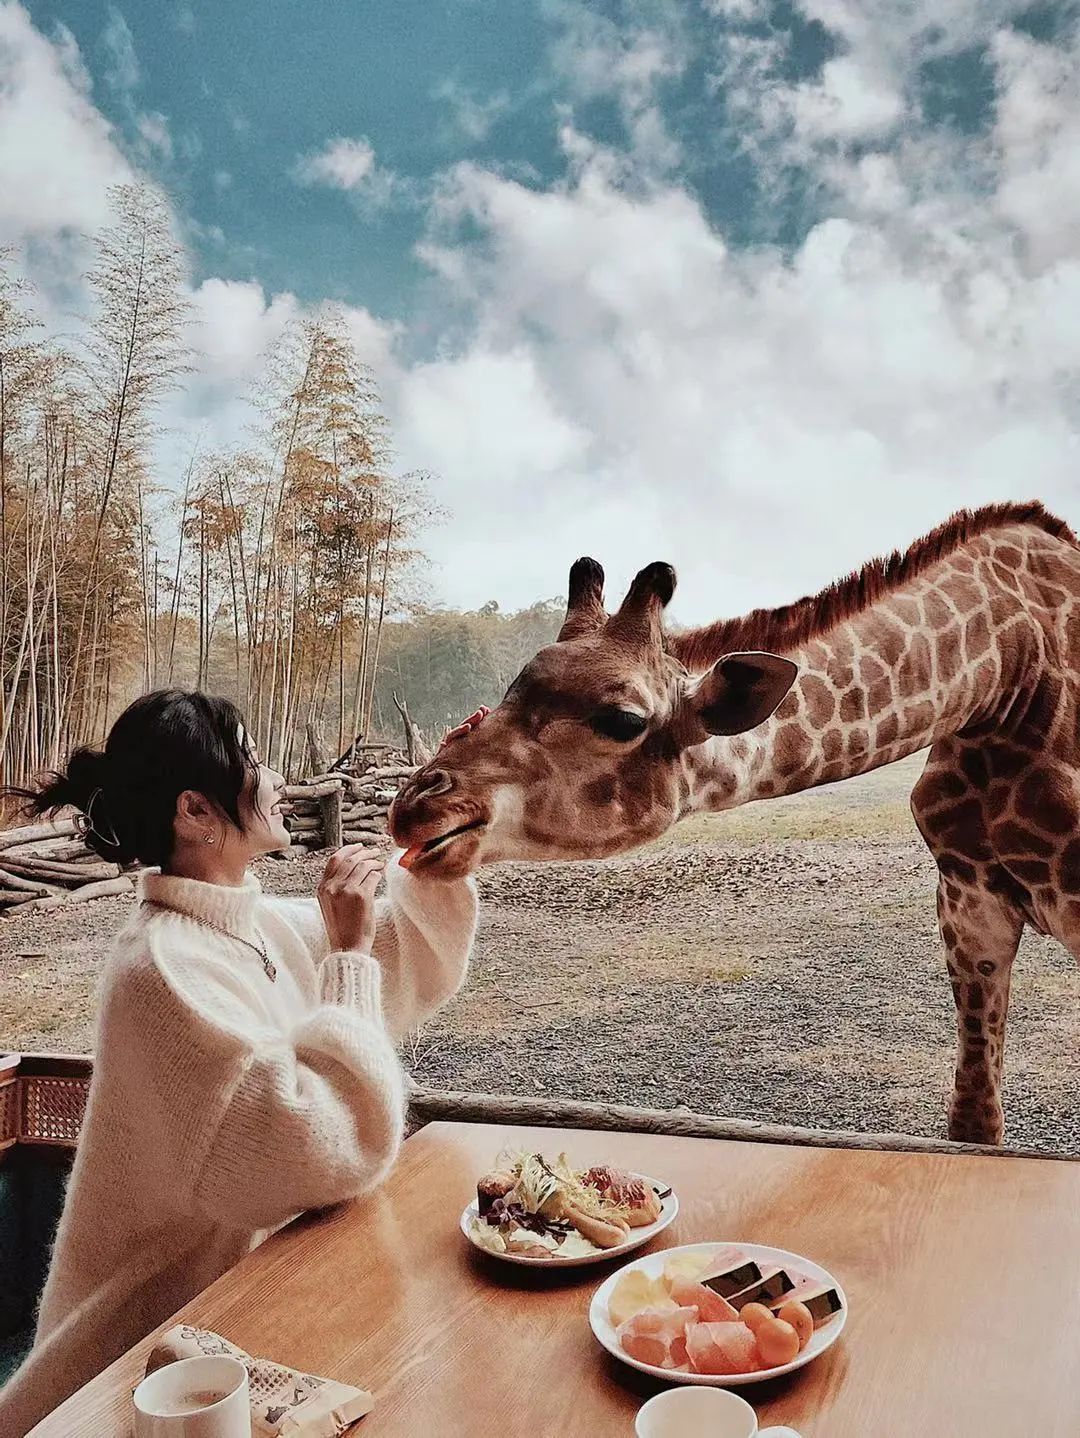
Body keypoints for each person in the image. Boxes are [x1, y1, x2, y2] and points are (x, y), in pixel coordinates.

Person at [0, 689, 480, 1436]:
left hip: (253, 1303)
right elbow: (321, 1148)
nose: (277, 776)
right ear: (195, 811)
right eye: (253, 758)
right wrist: (347, 956)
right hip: (147, 1354)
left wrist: (446, 801)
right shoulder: (161, 973)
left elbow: (413, 953)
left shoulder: (249, 924)